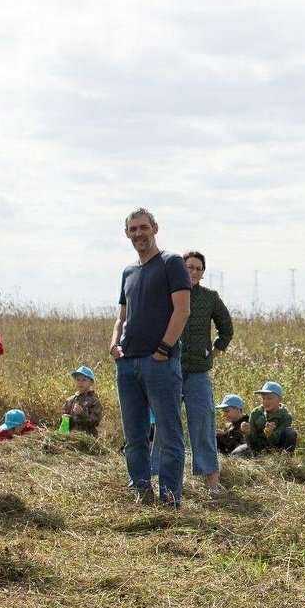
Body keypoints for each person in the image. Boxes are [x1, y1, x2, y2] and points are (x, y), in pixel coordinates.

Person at [109, 208, 190, 506]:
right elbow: (122, 315)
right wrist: (114, 344)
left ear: (155, 227)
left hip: (159, 363)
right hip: (127, 363)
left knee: (169, 434)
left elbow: (182, 310)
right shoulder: (128, 273)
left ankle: (170, 498)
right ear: (127, 234)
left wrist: (164, 349)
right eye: (133, 229)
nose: (139, 233)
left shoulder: (172, 263)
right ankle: (141, 492)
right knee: (134, 435)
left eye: (144, 227)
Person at [172, 251, 233, 495]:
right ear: (181, 269)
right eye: (189, 267)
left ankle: (212, 484)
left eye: (198, 268)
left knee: (203, 424)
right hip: (170, 370)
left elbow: (226, 328)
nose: (193, 272)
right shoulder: (170, 294)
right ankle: (164, 481)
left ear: (203, 272)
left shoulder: (209, 298)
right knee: (166, 425)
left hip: (198, 372)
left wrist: (214, 351)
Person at [236, 381, 297, 455]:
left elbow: (277, 440)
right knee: (235, 454)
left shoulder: (286, 416)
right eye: (263, 398)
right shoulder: (256, 413)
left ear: (280, 399)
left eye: (269, 398)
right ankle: (257, 458)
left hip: (277, 448)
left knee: (290, 432)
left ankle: (286, 459)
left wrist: (270, 434)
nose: (265, 401)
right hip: (259, 447)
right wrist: (247, 433)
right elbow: (252, 441)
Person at [62, 366, 103, 435]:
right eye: (78, 380)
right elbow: (65, 425)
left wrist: (82, 414)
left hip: (88, 437)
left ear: (91, 382)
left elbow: (95, 422)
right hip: (71, 437)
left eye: (84, 380)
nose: (80, 382)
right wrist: (66, 420)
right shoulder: (70, 400)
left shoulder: (94, 401)